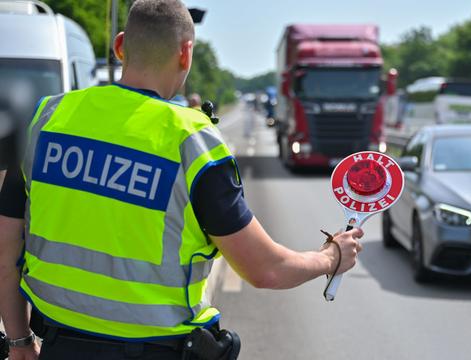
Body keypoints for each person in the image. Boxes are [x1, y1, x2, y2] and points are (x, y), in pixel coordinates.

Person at [0, 1, 363, 359]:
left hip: (61, 347)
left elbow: (5, 249)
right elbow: (266, 269)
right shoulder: (194, 143)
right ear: (186, 54)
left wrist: (18, 341)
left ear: (121, 46)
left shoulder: (46, 119)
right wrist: (331, 256)